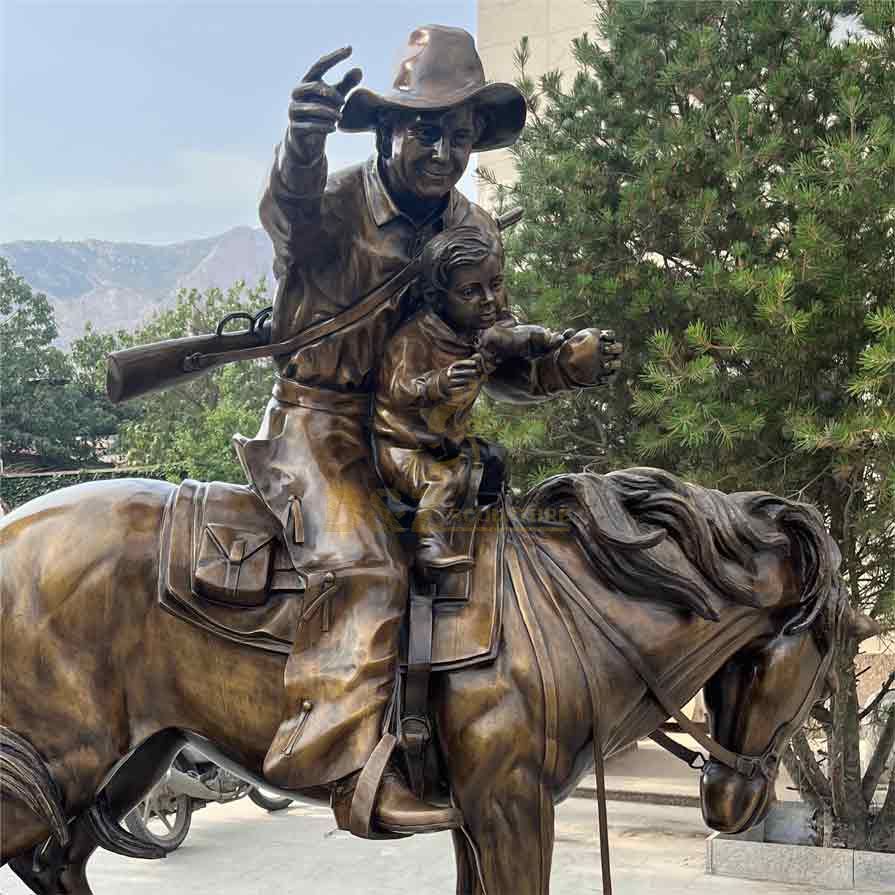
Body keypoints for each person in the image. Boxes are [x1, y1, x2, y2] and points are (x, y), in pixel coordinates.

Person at [237, 25, 622, 837]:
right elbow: (289, 216)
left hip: (421, 437)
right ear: (385, 130)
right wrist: (301, 145)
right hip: (323, 425)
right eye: (424, 130)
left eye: (457, 134)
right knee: (367, 561)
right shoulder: (337, 205)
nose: (442, 150)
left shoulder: (475, 229)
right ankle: (347, 765)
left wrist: (561, 366)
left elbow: (495, 345)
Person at [373, 224, 566, 574]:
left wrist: (551, 341)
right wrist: (437, 384)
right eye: (470, 292)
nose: (489, 300)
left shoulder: (479, 333)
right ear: (438, 297)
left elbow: (516, 339)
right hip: (402, 448)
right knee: (443, 481)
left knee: (492, 464)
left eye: (495, 285)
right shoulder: (414, 338)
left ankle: (490, 538)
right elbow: (397, 390)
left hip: (447, 445)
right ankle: (428, 547)